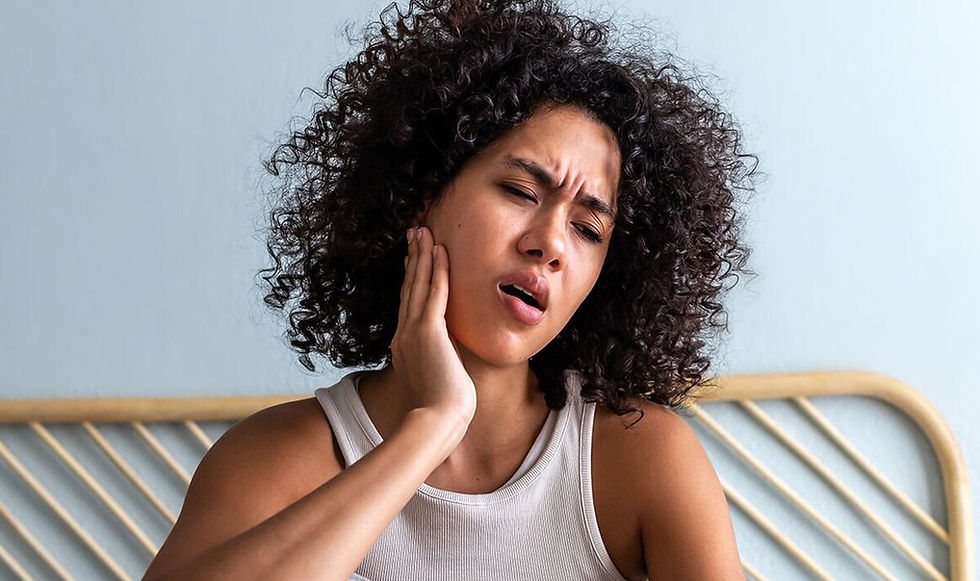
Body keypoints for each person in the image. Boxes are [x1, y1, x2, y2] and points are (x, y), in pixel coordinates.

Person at [143, 0, 757, 579]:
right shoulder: (277, 457)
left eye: (589, 227)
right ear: (420, 191)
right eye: (520, 192)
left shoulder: (638, 459)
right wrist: (430, 430)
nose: (551, 244)